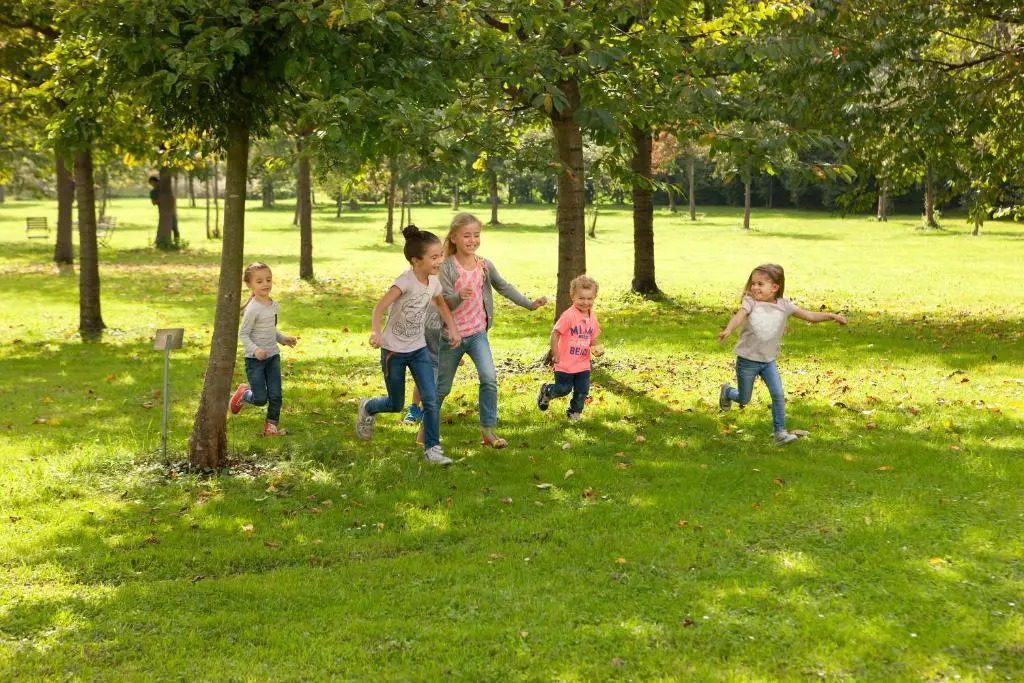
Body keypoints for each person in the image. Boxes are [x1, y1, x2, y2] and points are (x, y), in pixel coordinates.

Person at [421, 213, 549, 448]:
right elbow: (443, 303)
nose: (472, 240)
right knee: (442, 389)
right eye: (466, 235)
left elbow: (503, 286)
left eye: (476, 235)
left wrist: (529, 304)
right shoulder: (447, 267)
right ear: (454, 238)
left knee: (489, 378)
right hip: (452, 336)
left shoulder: (484, 265)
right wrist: (459, 297)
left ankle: (487, 431)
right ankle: (424, 432)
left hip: (477, 333)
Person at [357, 226, 461, 466]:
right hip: (393, 350)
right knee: (395, 404)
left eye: (440, 255)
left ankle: (432, 448)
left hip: (418, 349)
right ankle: (368, 407)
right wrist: (375, 331)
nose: (439, 261)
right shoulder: (404, 282)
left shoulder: (433, 282)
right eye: (434, 257)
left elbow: (442, 304)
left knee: (431, 398)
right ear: (416, 261)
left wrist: (453, 328)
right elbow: (379, 307)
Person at [716, 263, 848, 445]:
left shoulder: (784, 306)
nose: (754, 287)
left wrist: (832, 316)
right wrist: (729, 329)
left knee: (778, 394)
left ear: (775, 287)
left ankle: (780, 433)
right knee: (744, 398)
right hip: (747, 360)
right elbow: (740, 316)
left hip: (768, 361)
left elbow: (809, 316)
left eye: (760, 284)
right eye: (753, 283)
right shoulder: (750, 302)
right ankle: (728, 391)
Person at [230, 262, 298, 437]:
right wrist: (255, 350)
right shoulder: (252, 309)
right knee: (260, 399)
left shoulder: (272, 304)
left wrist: (283, 339)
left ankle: (271, 427)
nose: (265, 284)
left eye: (268, 280)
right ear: (249, 285)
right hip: (255, 361)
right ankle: (244, 393)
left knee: (276, 395)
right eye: (259, 281)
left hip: (273, 356)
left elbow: (270, 328)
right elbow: (243, 333)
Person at [537, 275, 602, 421]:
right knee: (563, 389)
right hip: (565, 364)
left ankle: (574, 412)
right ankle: (547, 391)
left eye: (589, 299)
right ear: (573, 297)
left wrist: (596, 348)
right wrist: (556, 354)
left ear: (594, 298)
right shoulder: (568, 315)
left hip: (583, 364)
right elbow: (555, 334)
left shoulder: (593, 317)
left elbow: (592, 337)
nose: (585, 302)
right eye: (581, 298)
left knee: (582, 392)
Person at [149, 175, 179, 245]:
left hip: (172, 211)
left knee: (175, 229)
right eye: (151, 183)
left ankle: (177, 242)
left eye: (153, 182)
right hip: (163, 211)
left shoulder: (166, 189)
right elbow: (153, 202)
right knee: (166, 228)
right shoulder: (153, 192)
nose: (152, 184)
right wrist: (161, 199)